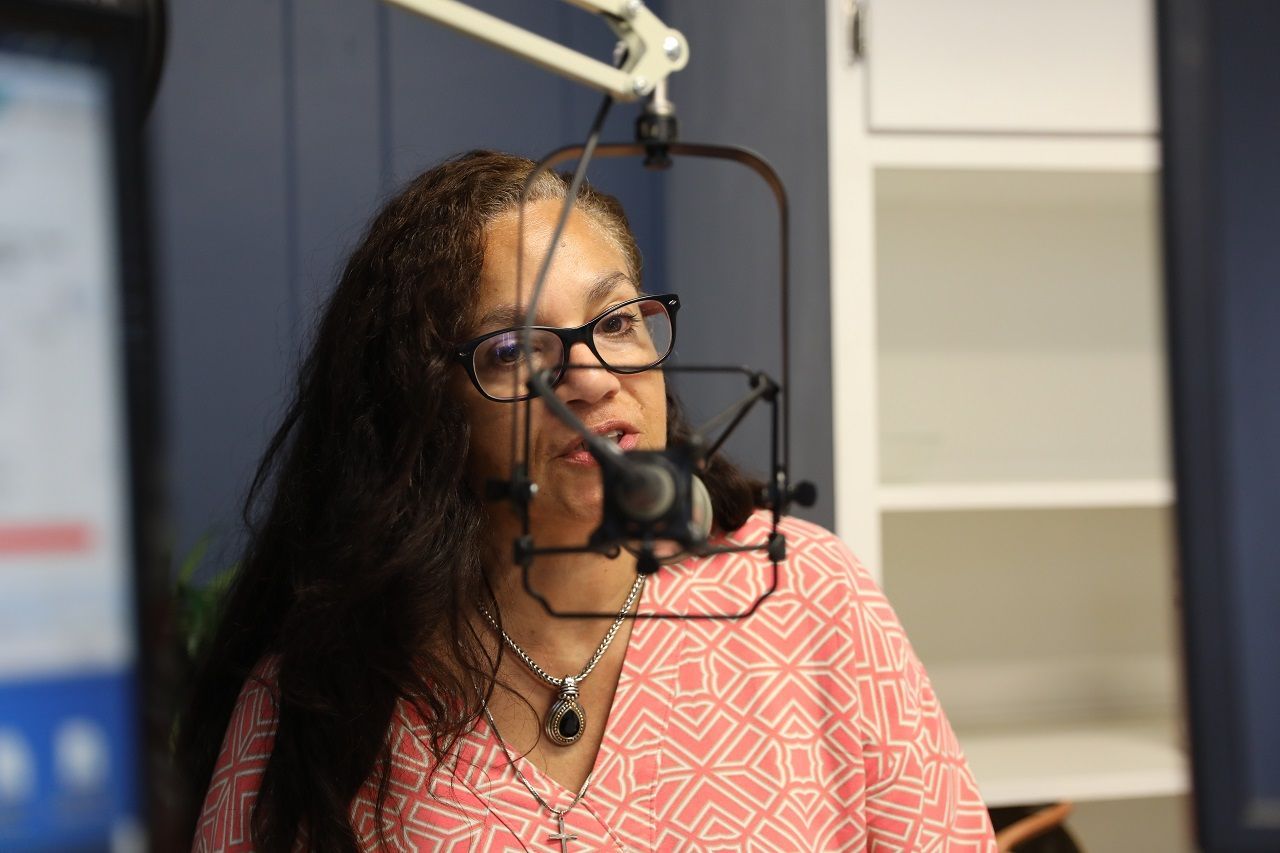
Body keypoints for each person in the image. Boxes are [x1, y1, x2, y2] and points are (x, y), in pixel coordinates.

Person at [180, 150, 997, 852]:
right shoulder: (324, 694)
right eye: (511, 349)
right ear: (421, 408)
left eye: (617, 322)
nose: (593, 377)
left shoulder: (808, 597)